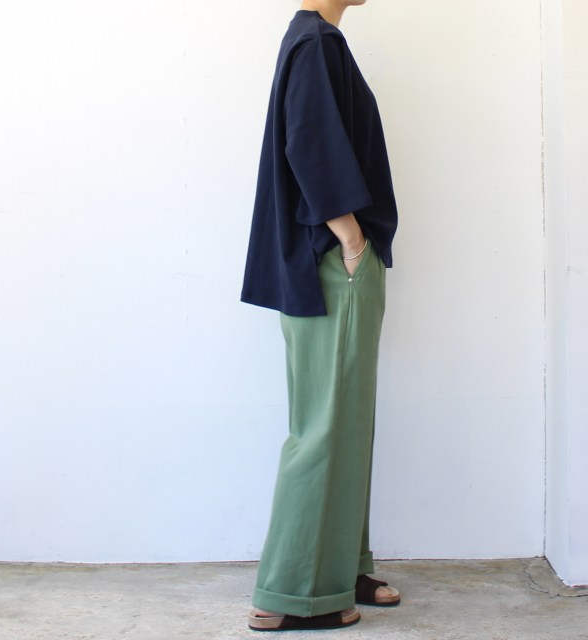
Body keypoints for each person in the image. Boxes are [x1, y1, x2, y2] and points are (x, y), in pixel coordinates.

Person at [241, 0, 399, 632]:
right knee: (325, 426)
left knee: (346, 422)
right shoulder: (316, 43)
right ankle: (291, 593)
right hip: (334, 262)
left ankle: (341, 568)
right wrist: (352, 240)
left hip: (328, 260)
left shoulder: (314, 38)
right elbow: (309, 146)